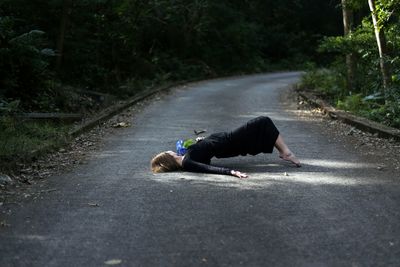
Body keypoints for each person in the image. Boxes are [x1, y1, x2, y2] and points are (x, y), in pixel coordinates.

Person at [151, 116, 300, 178]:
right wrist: (232, 172)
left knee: (262, 125)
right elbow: (208, 168)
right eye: (165, 152)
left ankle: (284, 151)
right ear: (167, 157)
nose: (168, 150)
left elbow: (205, 159)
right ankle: (285, 152)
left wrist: (201, 143)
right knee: (263, 121)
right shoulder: (187, 162)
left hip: (225, 141)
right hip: (229, 141)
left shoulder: (185, 158)